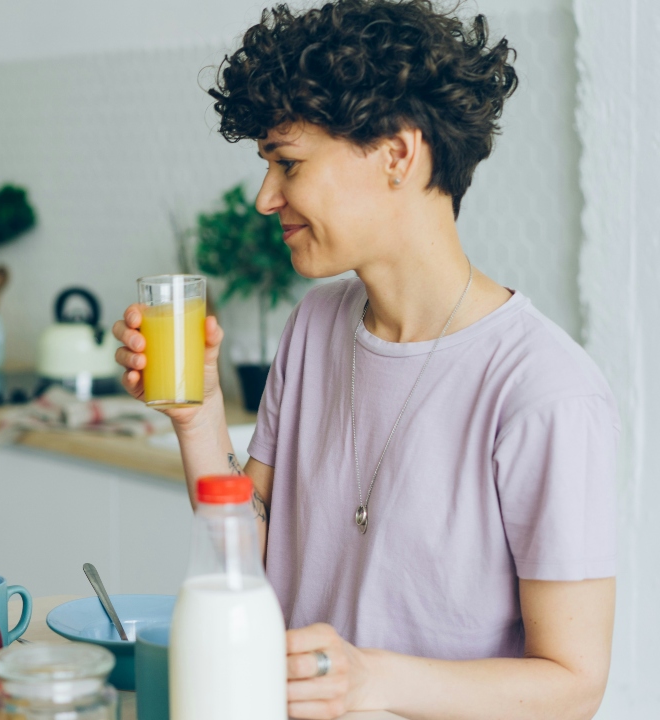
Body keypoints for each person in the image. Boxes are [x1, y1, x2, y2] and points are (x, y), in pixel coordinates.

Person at [113, 2, 616, 718]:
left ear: (398, 155)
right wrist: (196, 418)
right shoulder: (316, 324)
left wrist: (372, 680)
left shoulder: (544, 391)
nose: (265, 198)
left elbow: (573, 685)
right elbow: (242, 562)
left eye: (287, 163)